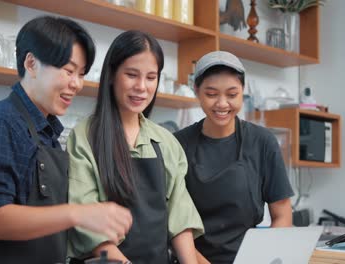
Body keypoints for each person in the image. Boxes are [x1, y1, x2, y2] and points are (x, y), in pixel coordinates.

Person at [0, 16, 132, 264]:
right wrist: (77, 214)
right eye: (69, 71)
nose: (77, 84)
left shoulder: (47, 134)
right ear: (31, 63)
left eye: (81, 74)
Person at [67, 30, 204, 264]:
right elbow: (87, 223)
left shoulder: (166, 141)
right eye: (132, 75)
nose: (142, 87)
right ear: (111, 74)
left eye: (151, 78)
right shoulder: (84, 136)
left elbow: (180, 221)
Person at [174, 51, 294, 264]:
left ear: (242, 92)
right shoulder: (177, 145)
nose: (222, 104)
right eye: (211, 94)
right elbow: (174, 224)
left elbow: (282, 215)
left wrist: (263, 258)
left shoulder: (263, 142)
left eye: (231, 94)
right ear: (197, 91)